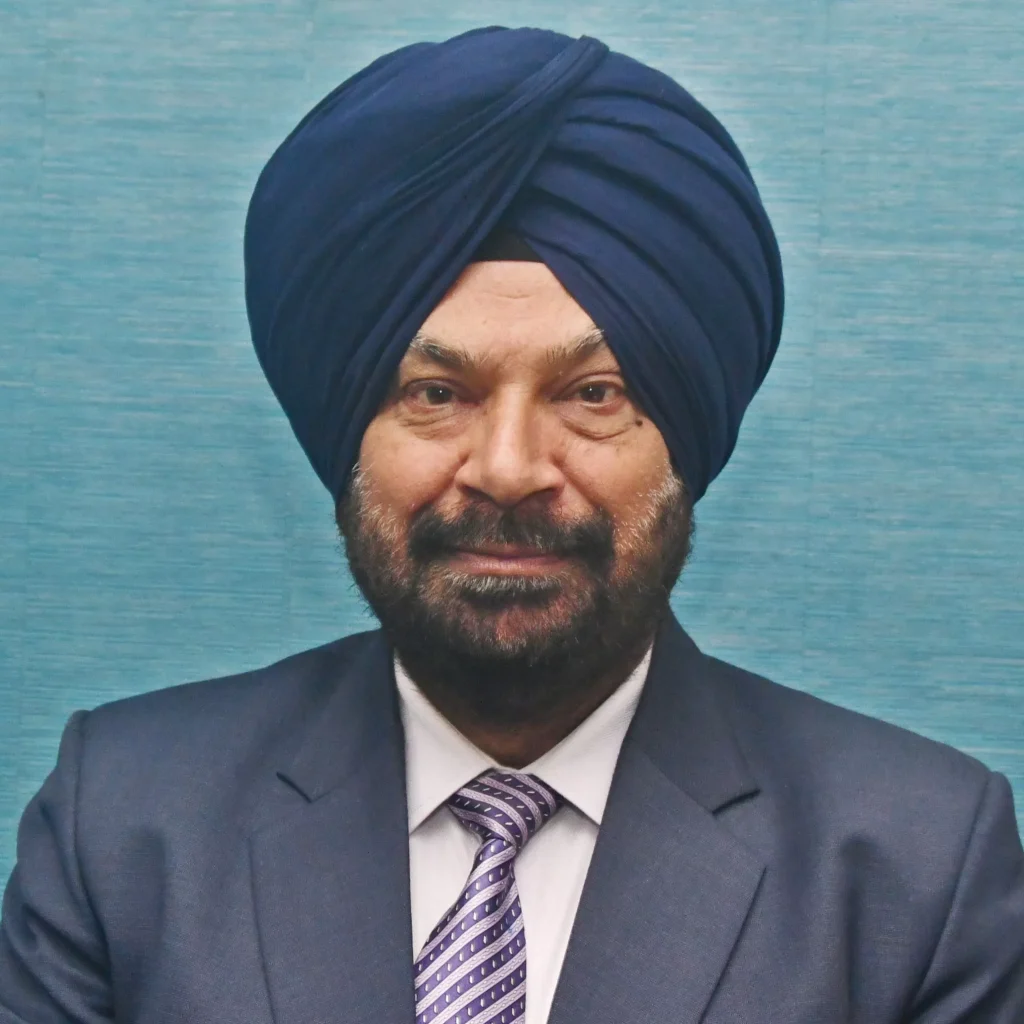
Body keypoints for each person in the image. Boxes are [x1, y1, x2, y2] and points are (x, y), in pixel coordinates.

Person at [1, 25, 1021, 1024]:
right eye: (436, 393)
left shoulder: (918, 867)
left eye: (593, 392)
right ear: (348, 434)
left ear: (686, 441)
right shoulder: (125, 824)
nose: (507, 469)